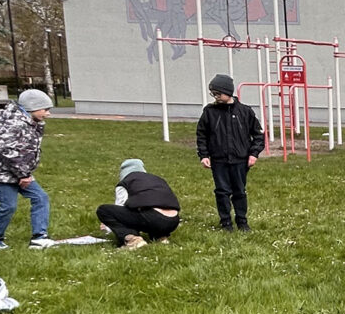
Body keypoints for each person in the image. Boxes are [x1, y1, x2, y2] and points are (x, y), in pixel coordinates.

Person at [0, 90, 54, 249]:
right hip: (2, 173)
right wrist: (24, 175)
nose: (48, 114)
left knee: (40, 198)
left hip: (19, 172)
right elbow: (7, 151)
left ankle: (39, 237)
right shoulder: (14, 124)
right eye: (45, 109)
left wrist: (25, 173)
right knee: (8, 205)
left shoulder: (30, 122)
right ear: (32, 107)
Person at [195, 73, 265, 231]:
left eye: (218, 93)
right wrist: (204, 155)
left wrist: (253, 153)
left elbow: (258, 135)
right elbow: (202, 135)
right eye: (213, 94)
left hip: (240, 160)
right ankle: (225, 221)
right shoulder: (209, 112)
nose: (216, 97)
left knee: (239, 191)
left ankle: (242, 221)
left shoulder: (245, 112)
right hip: (218, 160)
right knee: (222, 191)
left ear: (228, 92)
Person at [96, 159, 181, 250]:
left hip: (153, 219)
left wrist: (108, 227)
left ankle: (133, 240)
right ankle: (160, 237)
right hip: (173, 221)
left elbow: (120, 208)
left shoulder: (125, 182)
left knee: (104, 210)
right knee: (147, 208)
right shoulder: (157, 179)